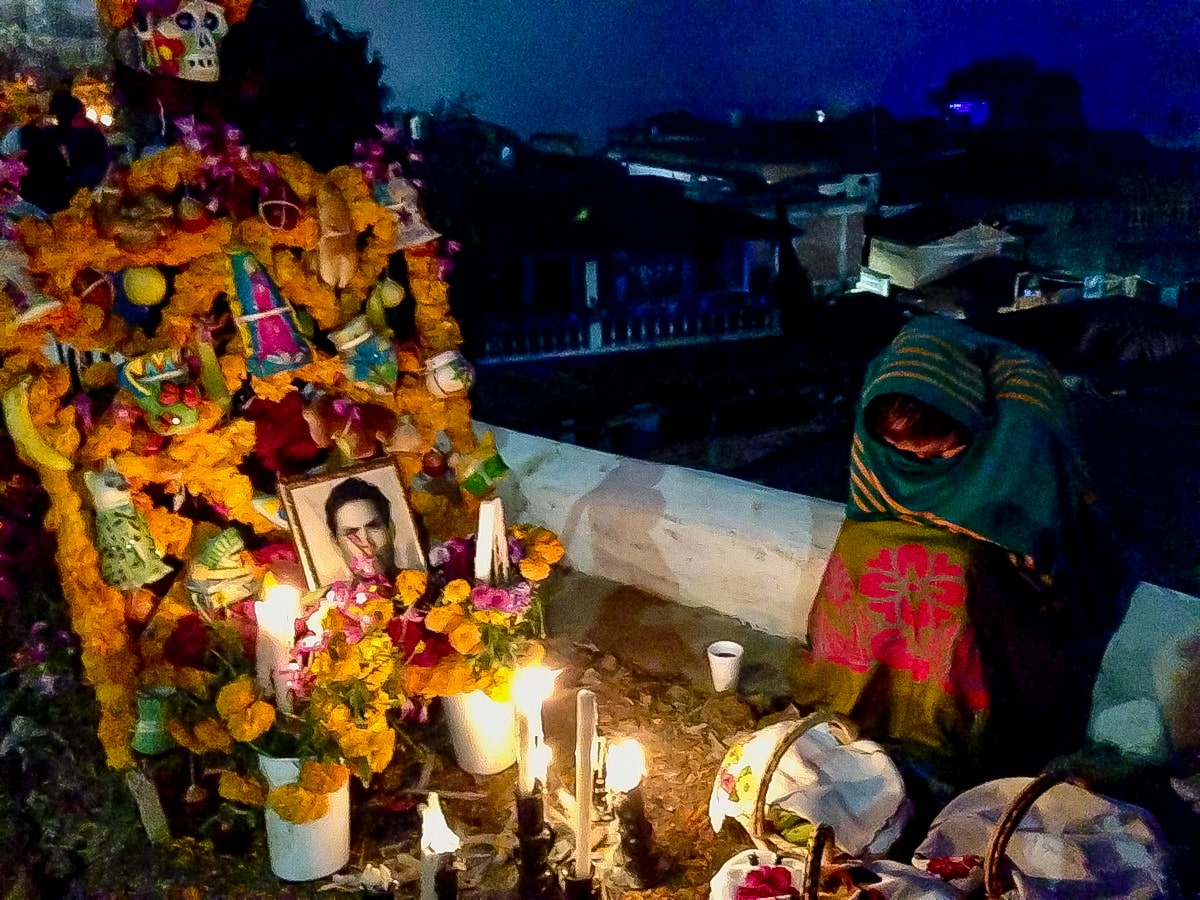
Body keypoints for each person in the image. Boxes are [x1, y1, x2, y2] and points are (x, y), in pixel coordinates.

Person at [789, 315, 1133, 782]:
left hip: (1003, 549)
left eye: (939, 452)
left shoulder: (1024, 416)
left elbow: (1037, 535)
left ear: (967, 413)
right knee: (861, 547)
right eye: (909, 455)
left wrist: (972, 544)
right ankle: (868, 694)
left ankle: (948, 721)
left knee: (955, 575)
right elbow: (873, 507)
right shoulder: (887, 390)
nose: (921, 464)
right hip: (916, 527)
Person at [324, 476, 397, 581]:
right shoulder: (328, 596)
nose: (366, 542)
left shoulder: (425, 586)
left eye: (373, 527)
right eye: (351, 532)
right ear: (336, 544)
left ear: (391, 529)